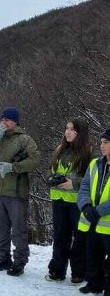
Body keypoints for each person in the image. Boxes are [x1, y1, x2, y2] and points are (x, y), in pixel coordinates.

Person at [0, 106, 40, 276]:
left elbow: (35, 159)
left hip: (16, 192)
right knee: (1, 228)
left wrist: (14, 167)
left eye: (7, 119)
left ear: (15, 122)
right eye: (2, 119)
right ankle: (3, 258)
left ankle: (20, 261)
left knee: (18, 229)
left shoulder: (24, 139)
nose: (3, 122)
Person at [45, 119, 92, 284]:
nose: (68, 132)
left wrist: (74, 183)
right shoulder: (60, 149)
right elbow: (50, 169)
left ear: (81, 132)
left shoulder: (89, 152)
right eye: (67, 128)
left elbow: (93, 178)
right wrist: (51, 178)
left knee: (80, 238)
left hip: (77, 201)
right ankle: (57, 270)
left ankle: (79, 272)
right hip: (58, 199)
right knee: (60, 236)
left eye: (72, 129)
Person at [77, 129, 110, 296]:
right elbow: (84, 187)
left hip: (106, 220)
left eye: (106, 142)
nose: (101, 145)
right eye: (101, 142)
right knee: (93, 254)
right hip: (93, 219)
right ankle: (94, 283)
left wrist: (98, 211)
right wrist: (86, 206)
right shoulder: (95, 164)